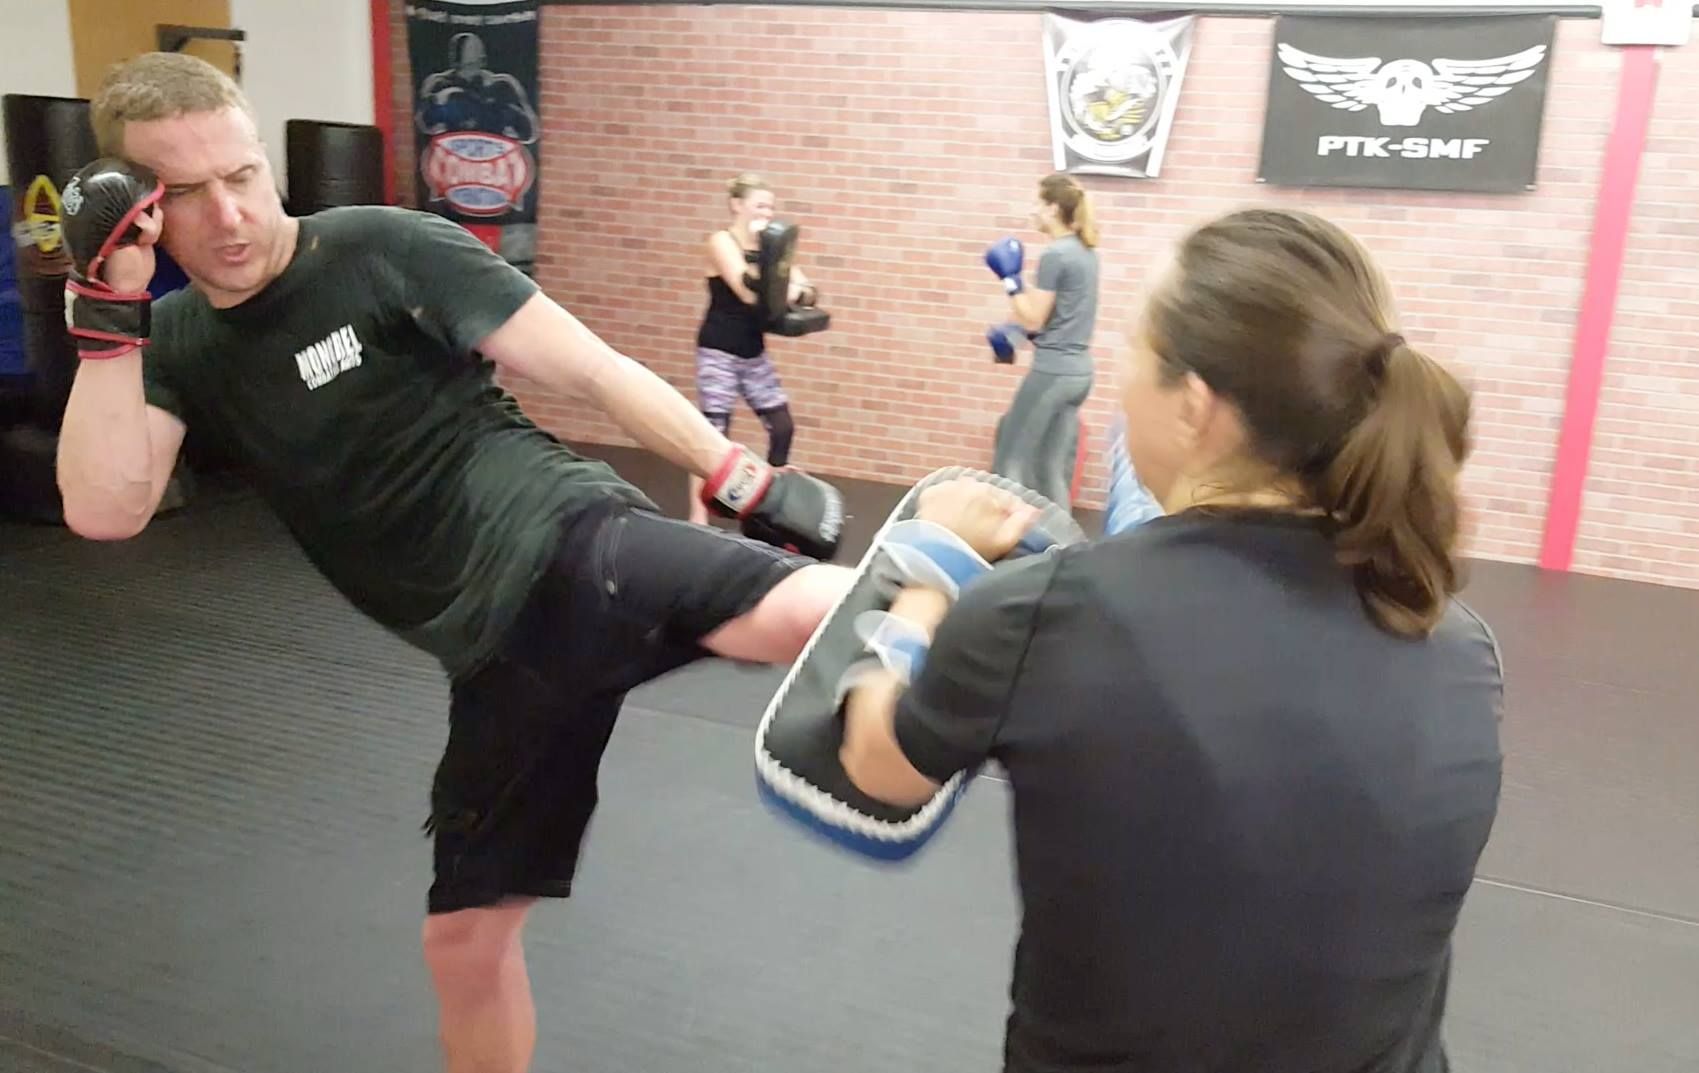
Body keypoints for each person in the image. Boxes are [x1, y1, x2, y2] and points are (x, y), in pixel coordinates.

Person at [55, 52, 848, 1073]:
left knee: (786, 614)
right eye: (187, 194)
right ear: (140, 211)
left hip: (565, 541)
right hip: (493, 657)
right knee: (465, 940)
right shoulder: (174, 342)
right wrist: (106, 309)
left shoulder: (382, 246)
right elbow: (104, 510)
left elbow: (593, 367)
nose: (232, 214)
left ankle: (986, 641)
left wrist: (736, 473)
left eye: (244, 174)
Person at [835, 208, 1505, 1072]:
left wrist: (932, 570)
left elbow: (877, 764)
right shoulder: (1458, 643)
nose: (1120, 384)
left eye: (1134, 353)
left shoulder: (1047, 611)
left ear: (1194, 404)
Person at [685, 173, 815, 526]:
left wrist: (790, 286)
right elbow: (747, 292)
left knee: (783, 427)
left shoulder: (770, 249)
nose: (767, 212)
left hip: (752, 352)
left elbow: (807, 289)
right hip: (718, 350)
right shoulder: (721, 240)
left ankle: (772, 507)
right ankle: (698, 518)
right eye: (760, 205)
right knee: (713, 433)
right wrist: (787, 287)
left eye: (771, 207)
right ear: (737, 205)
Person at [984, 172, 1100, 511]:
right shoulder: (1085, 251)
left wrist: (1009, 280)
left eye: (1037, 203)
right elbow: (1053, 314)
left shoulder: (1056, 254)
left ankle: (1007, 548)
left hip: (1053, 372)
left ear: (1052, 208)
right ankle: (1060, 549)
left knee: (1010, 459)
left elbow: (1032, 315)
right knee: (1050, 467)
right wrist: (1018, 333)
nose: (1032, 210)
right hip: (1078, 374)